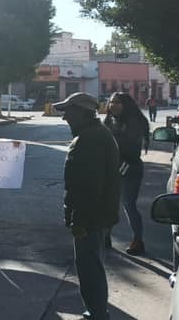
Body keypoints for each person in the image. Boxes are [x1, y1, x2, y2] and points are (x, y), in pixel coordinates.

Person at [54, 92, 121, 320]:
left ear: (83, 113)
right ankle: (97, 311)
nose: (65, 118)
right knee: (92, 264)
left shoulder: (89, 140)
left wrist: (79, 221)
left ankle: (97, 313)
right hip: (97, 215)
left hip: (90, 218)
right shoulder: (94, 134)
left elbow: (88, 188)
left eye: (69, 113)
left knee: (89, 267)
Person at [104, 92, 150, 255]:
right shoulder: (110, 120)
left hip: (129, 167)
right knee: (109, 203)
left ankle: (138, 240)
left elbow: (129, 147)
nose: (113, 105)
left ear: (126, 105)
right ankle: (105, 237)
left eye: (117, 102)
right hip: (111, 166)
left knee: (128, 205)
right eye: (111, 102)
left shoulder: (133, 122)